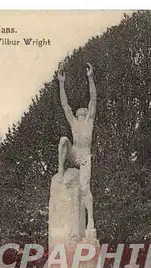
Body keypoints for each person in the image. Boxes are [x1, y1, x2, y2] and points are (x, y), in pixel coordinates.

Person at [57, 62, 97, 230]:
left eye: (84, 113)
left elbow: (93, 98)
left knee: (85, 188)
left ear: (87, 114)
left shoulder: (89, 122)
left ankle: (90, 222)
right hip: (75, 154)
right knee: (64, 140)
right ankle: (60, 170)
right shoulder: (73, 122)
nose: (82, 114)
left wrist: (90, 78)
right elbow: (65, 105)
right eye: (79, 113)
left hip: (85, 157)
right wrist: (61, 83)